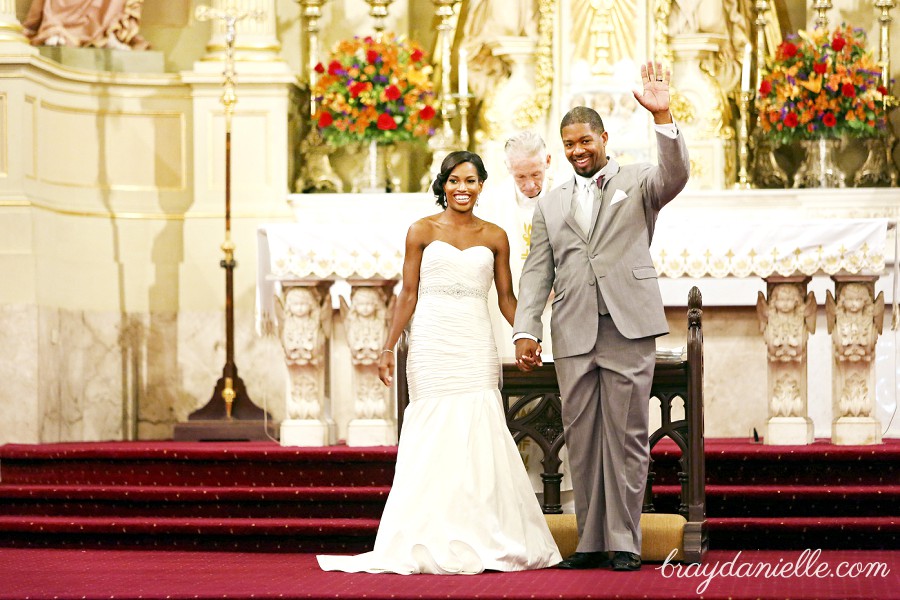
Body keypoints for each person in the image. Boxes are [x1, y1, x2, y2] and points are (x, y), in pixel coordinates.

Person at [317, 151, 561, 575]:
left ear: (483, 185)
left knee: (478, 425)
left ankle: (482, 532)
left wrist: (527, 335)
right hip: (432, 340)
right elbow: (407, 293)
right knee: (433, 428)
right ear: (443, 184)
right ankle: (425, 534)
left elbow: (506, 297)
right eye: (453, 180)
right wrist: (388, 346)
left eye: (470, 180)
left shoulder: (496, 236)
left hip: (474, 338)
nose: (461, 188)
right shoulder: (421, 231)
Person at [513, 62, 690, 572]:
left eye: (586, 140)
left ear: (603, 138)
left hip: (627, 327)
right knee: (583, 437)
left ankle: (625, 540)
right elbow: (536, 272)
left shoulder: (638, 181)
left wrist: (662, 115)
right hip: (572, 332)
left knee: (628, 436)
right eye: (569, 144)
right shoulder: (550, 204)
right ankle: (589, 541)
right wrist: (526, 327)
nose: (578, 151)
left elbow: (675, 174)